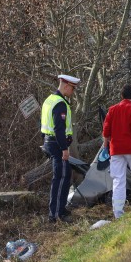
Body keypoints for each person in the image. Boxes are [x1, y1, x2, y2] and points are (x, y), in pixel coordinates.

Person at [102, 84, 131, 219]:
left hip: (115, 150)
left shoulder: (112, 110)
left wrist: (105, 147)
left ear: (121, 96)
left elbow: (106, 131)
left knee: (118, 180)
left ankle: (118, 213)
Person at [40, 74, 80, 223]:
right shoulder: (60, 103)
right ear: (65, 86)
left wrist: (44, 142)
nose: (73, 92)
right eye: (72, 89)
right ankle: (56, 214)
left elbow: (42, 124)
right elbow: (58, 129)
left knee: (63, 175)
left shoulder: (49, 100)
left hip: (50, 142)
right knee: (61, 178)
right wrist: (64, 149)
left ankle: (60, 209)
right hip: (58, 144)